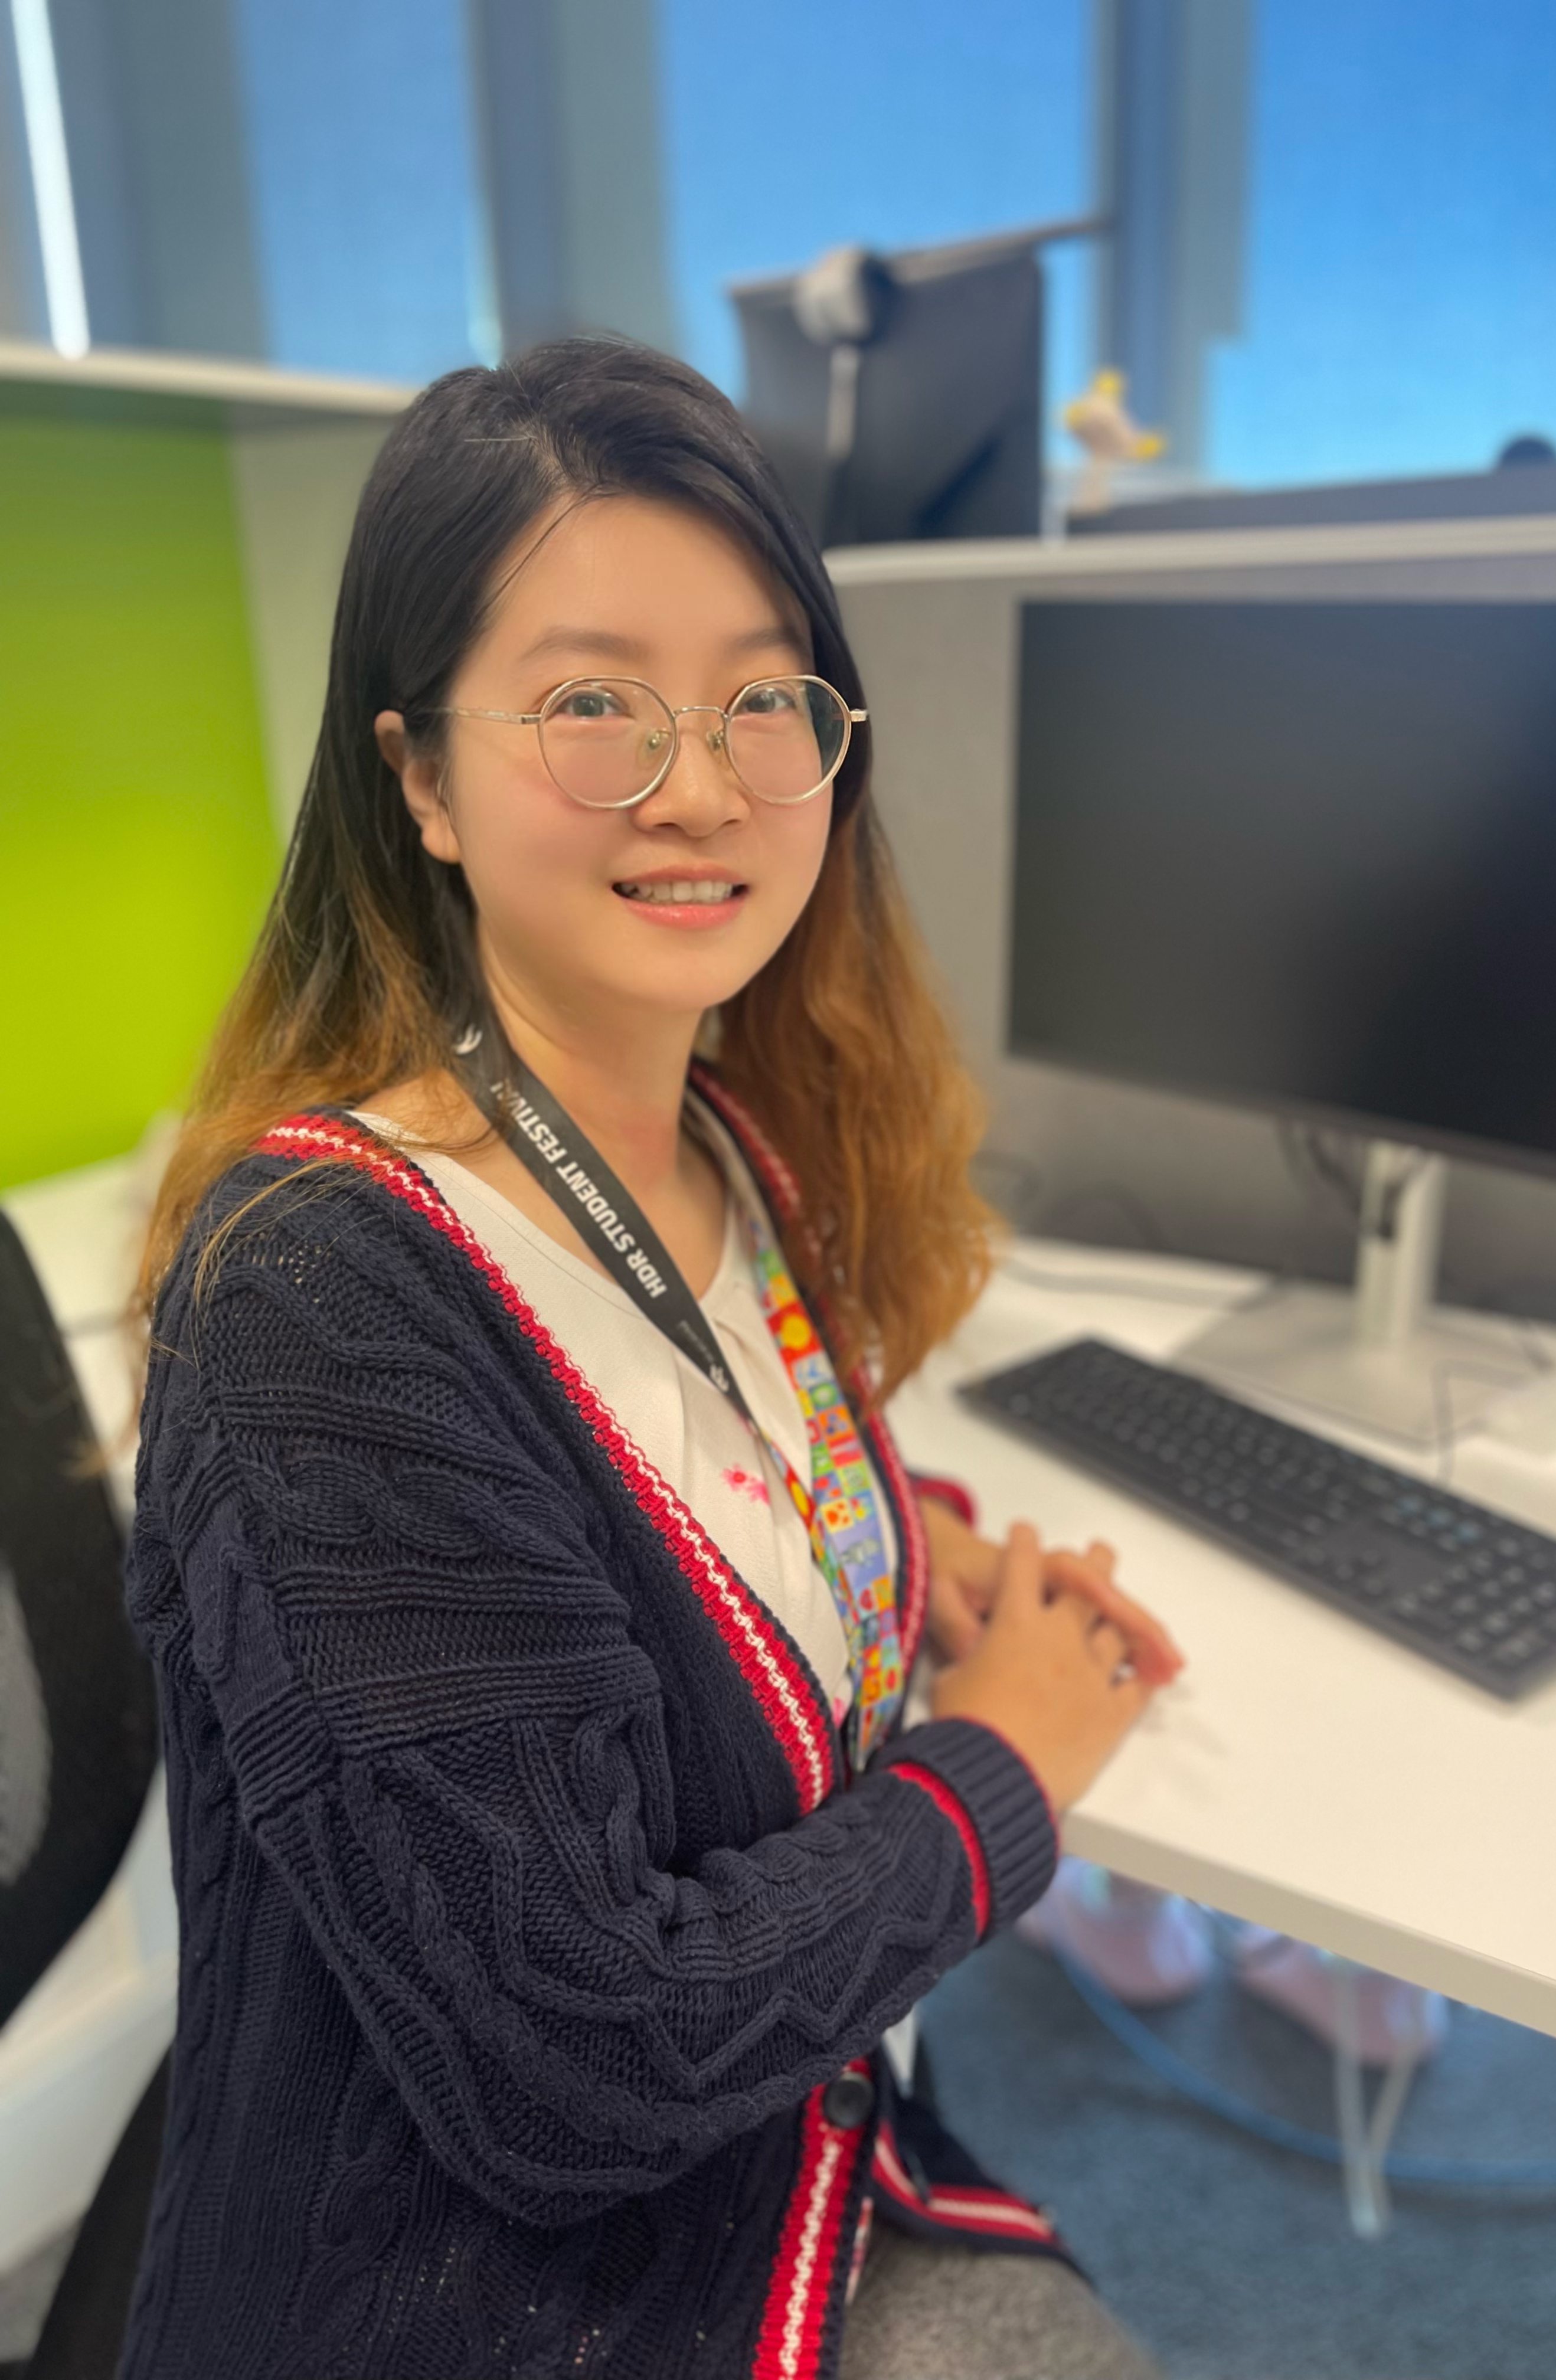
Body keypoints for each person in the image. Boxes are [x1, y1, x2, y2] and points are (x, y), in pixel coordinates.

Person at [120, 336, 1184, 2380]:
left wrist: (888, 1555)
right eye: (592, 702)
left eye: (762, 700)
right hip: (489, 2296)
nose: (699, 786)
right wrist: (1009, 1762)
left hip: (791, 2150)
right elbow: (585, 2061)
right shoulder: (320, 1305)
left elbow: (649, 1480)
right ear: (420, 778)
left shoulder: (724, 1151)